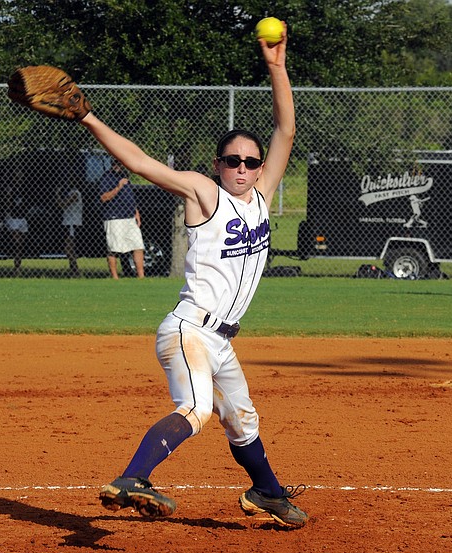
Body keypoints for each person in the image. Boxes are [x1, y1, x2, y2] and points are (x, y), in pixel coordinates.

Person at [78, 25, 307, 527]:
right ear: (218, 166)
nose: (243, 168)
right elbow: (140, 162)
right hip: (190, 331)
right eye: (233, 161)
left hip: (222, 340)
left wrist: (276, 66)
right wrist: (90, 117)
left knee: (242, 420)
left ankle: (266, 492)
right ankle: (133, 477)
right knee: (199, 408)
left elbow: (286, 132)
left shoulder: (263, 198)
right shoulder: (205, 193)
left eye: (250, 161)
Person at [99, 159, 145, 279]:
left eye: (120, 163)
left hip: (129, 217)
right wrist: (118, 187)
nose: (117, 166)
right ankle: (115, 277)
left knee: (138, 245)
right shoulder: (107, 177)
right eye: (115, 163)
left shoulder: (125, 176)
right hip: (114, 217)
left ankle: (141, 276)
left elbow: (130, 197)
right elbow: (104, 197)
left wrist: (136, 213)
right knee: (113, 248)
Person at [5, 168, 28, 275]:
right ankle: (16, 264)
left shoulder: (25, 189)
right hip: (13, 218)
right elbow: (8, 205)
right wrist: (9, 196)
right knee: (16, 240)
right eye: (16, 176)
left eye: (20, 176)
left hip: (22, 217)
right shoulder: (11, 189)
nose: (18, 178)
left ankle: (17, 266)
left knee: (21, 244)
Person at [57, 183, 83, 277]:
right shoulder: (69, 193)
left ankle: (75, 270)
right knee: (69, 248)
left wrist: (57, 195)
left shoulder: (75, 193)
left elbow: (63, 204)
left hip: (73, 223)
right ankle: (73, 269)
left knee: (69, 248)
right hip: (67, 222)